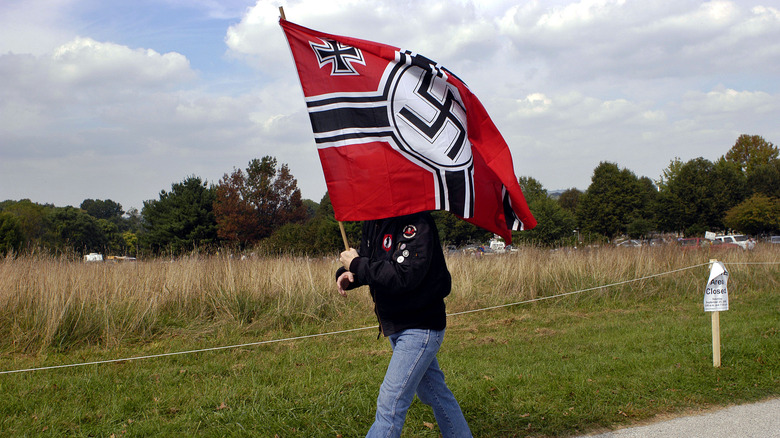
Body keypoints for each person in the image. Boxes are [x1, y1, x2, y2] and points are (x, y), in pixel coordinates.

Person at [336, 211, 472, 438]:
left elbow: (403, 276)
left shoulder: (418, 222)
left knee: (390, 403)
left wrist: (358, 264)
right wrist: (350, 273)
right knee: (434, 393)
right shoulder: (373, 220)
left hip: (421, 326)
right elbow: (371, 262)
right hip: (396, 325)